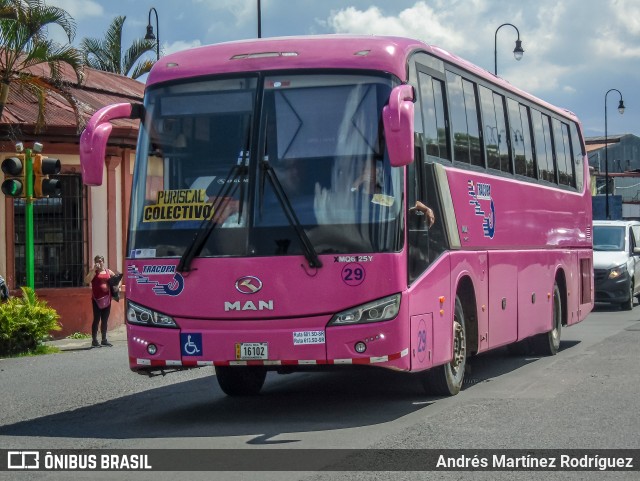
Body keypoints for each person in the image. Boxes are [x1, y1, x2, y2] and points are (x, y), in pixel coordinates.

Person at [84, 255, 117, 347]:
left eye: (101, 261)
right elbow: (87, 280)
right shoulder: (93, 272)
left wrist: (116, 287)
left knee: (105, 320)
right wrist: (93, 270)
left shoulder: (108, 271)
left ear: (103, 261)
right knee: (96, 319)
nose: (99, 262)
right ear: (95, 262)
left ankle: (104, 339)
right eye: (97, 261)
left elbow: (116, 280)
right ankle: (94, 340)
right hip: (96, 299)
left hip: (107, 299)